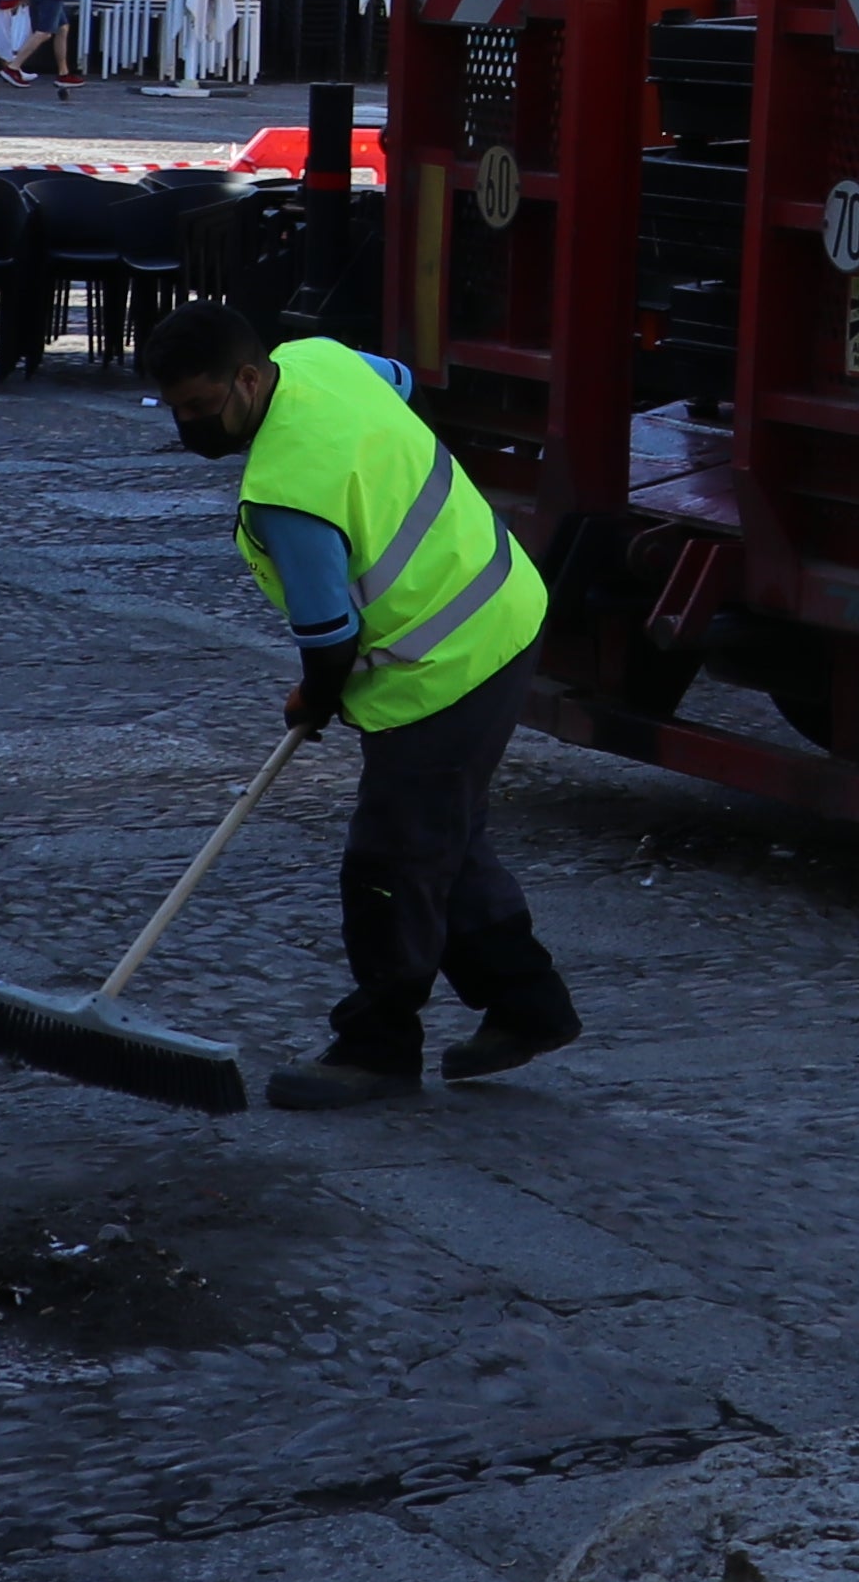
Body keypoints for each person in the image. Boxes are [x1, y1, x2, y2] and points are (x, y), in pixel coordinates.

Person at [138, 301, 579, 1108]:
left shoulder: (287, 496)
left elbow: (330, 638)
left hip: (445, 665)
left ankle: (377, 1047)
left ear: (247, 377)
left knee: (389, 862)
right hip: (504, 601)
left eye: (201, 407)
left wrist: (316, 696)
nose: (191, 426)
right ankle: (527, 1004)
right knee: (445, 837)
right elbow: (401, 387)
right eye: (176, 410)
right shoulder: (321, 358)